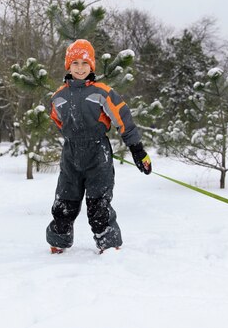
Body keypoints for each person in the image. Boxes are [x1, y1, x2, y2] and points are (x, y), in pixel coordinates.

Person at [46, 39, 152, 254]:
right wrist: (75, 138)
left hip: (98, 154)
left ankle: (109, 244)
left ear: (91, 66)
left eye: (85, 63)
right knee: (64, 202)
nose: (80, 68)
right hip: (71, 155)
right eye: (75, 63)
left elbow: (123, 119)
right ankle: (58, 242)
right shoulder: (58, 97)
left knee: (99, 204)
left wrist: (137, 151)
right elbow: (58, 121)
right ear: (68, 65)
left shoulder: (102, 92)